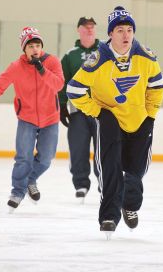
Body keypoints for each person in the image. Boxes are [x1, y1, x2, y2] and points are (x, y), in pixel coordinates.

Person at [66, 6, 163, 237]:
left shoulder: (146, 57)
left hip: (140, 120)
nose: (126, 35)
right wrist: (98, 112)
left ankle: (130, 204)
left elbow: (157, 87)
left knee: (135, 171)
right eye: (120, 30)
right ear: (110, 34)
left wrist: (150, 115)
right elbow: (74, 89)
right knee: (110, 168)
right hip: (110, 119)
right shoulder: (98, 59)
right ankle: (109, 216)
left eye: (129, 29)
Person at [0, 26, 64, 211]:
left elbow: (58, 85)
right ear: (24, 49)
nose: (35, 49)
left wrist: (42, 70)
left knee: (46, 158)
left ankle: (30, 179)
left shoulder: (52, 62)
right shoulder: (16, 67)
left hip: (50, 118)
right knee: (23, 157)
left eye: (38, 45)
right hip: (27, 118)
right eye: (31, 46)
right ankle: (17, 192)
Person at [59, 17, 100, 201]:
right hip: (77, 111)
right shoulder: (70, 55)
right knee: (78, 148)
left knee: (104, 148)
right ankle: (81, 184)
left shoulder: (105, 51)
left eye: (92, 27)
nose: (90, 30)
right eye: (86, 27)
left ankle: (105, 182)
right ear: (79, 30)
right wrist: (61, 105)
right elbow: (62, 81)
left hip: (102, 110)